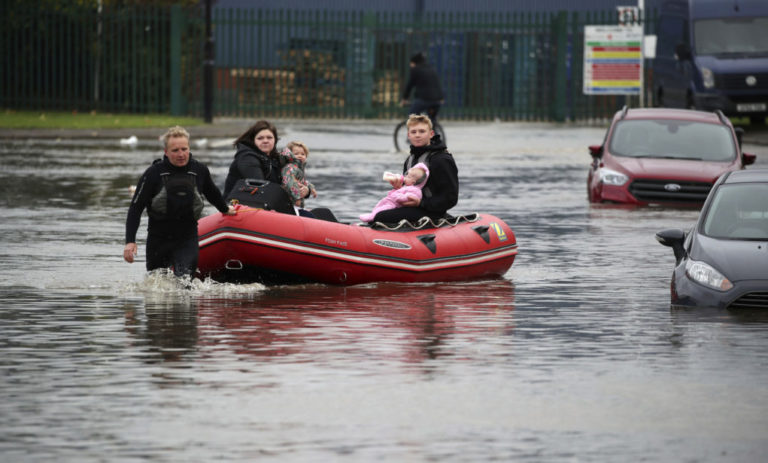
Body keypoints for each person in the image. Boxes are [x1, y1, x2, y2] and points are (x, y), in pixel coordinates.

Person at [123, 126, 235, 277]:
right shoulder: (153, 173)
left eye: (184, 149)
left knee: (184, 282)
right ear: (166, 152)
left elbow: (213, 194)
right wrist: (130, 241)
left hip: (187, 239)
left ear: (189, 148)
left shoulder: (199, 170)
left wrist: (225, 209)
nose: (181, 154)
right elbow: (136, 208)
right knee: (158, 286)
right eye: (175, 150)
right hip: (158, 240)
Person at [372, 114, 459, 224]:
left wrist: (420, 203)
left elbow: (450, 198)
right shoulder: (410, 159)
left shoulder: (442, 159)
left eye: (422, 131)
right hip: (414, 208)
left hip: (433, 211)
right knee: (378, 212)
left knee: (381, 217)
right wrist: (399, 187)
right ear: (408, 135)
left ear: (431, 134)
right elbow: (410, 188)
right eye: (414, 132)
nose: (417, 135)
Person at [360, 163, 429, 223]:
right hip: (391, 202)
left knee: (381, 211)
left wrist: (396, 195)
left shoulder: (415, 191)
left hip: (395, 205)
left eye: (408, 177)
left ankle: (372, 217)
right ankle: (372, 216)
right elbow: (399, 192)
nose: (405, 177)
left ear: (413, 182)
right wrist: (397, 188)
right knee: (379, 205)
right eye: (406, 175)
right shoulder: (406, 186)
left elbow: (405, 198)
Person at [401, 52, 445, 127]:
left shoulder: (415, 70)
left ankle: (414, 136)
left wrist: (405, 98)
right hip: (438, 100)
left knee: (412, 117)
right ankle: (435, 137)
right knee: (431, 122)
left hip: (424, 99)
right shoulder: (431, 69)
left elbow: (410, 85)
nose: (410, 65)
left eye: (411, 63)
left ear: (414, 62)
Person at [279, 141, 317, 217]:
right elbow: (289, 182)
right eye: (296, 154)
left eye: (302, 154)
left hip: (297, 205)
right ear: (290, 155)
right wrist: (297, 197)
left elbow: (303, 182)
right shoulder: (290, 168)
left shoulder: (299, 169)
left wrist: (311, 188)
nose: (300, 156)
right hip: (290, 204)